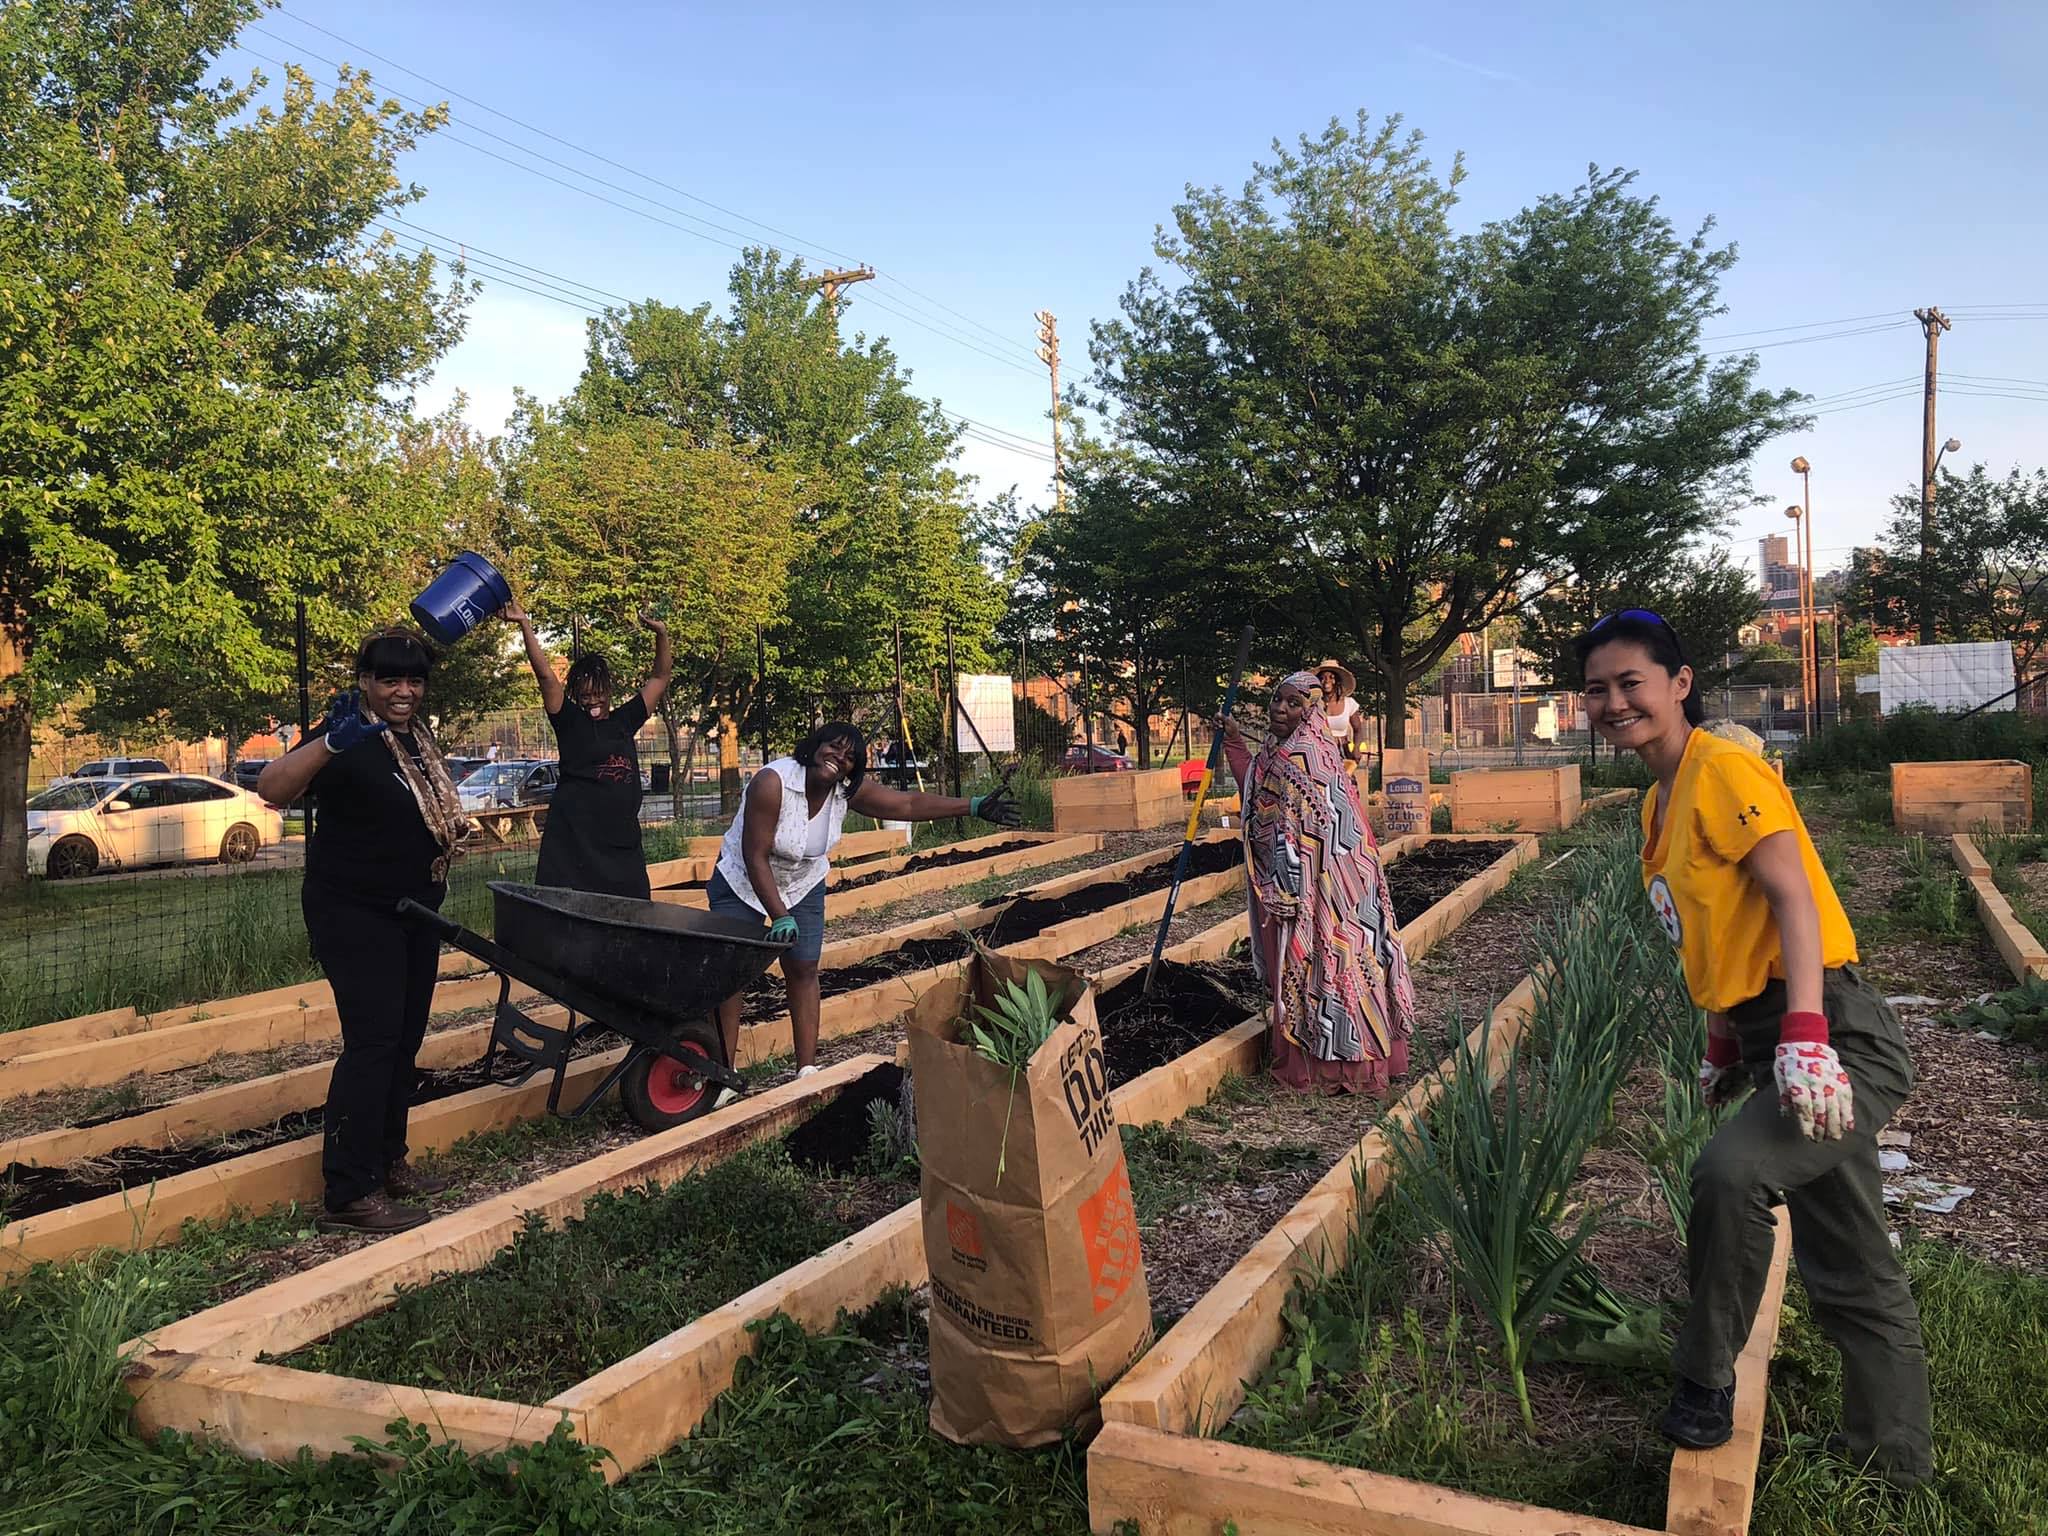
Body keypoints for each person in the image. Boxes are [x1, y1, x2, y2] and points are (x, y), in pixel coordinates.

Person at [1576, 608, 1929, 1483]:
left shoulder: (1722, 765)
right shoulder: (1662, 802)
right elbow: (1718, 938)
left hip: (1835, 1030)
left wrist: (1805, 1034)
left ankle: (1701, 1380)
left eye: (1632, 683)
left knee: (1731, 1174)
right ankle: (1896, 1469)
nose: (1615, 702)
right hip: (1778, 1033)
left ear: (1679, 685)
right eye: (1597, 689)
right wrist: (1726, 1040)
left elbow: (1792, 898)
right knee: (1850, 1257)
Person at [257, 630, 471, 1235]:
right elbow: (271, 788)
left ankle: (387, 1159)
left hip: (413, 911)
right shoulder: (347, 732)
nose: (403, 691)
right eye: (389, 680)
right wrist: (329, 742)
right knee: (373, 1042)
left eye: (413, 681)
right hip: (354, 910)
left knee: (404, 1041)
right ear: (365, 682)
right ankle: (350, 1193)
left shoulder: (417, 740)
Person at [708, 723, 1020, 1079]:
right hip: (744, 881)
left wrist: (974, 806)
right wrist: (779, 915)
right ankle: (722, 1073)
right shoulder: (773, 783)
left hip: (800, 881)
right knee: (731, 973)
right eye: (833, 748)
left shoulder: (841, 791)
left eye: (849, 757)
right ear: (813, 747)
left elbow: (906, 802)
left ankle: (807, 1069)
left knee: (804, 967)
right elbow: (755, 854)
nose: (839, 758)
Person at [1220, 671, 1415, 1095]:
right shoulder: (1276, 751)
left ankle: (1338, 1066)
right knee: (1300, 969)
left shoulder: (1308, 755)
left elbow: (1317, 828)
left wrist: (1294, 886)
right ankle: (1310, 1055)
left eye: (1292, 703)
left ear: (1308, 711)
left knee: (1334, 962)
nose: (1279, 708)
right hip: (1294, 882)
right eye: (1277, 699)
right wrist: (1235, 741)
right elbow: (1255, 790)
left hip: (1330, 887)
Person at [504, 601, 671, 900]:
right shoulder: (570, 721)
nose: (592, 701)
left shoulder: (624, 720)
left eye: (597, 694)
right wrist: (525, 625)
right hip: (575, 844)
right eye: (585, 696)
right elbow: (545, 678)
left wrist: (661, 634)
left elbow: (659, 678)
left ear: (608, 692)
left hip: (620, 845)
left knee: (632, 916)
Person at [1315, 659, 1371, 764]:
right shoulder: (1314, 705)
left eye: (1331, 677)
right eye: (1322, 678)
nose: (1326, 681)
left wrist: (1356, 748)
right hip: (1319, 752)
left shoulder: (1349, 703)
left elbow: (1358, 729)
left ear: (1337, 681)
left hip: (1342, 751)